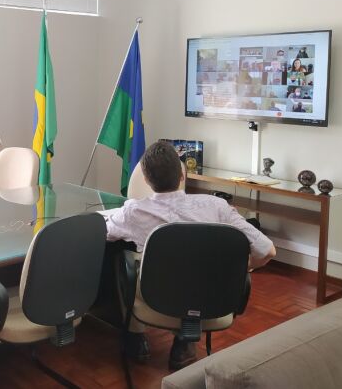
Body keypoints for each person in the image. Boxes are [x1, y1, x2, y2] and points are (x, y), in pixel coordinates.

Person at [104, 141, 276, 370]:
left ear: (146, 180)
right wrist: (241, 269)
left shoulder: (134, 211)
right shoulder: (217, 207)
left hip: (158, 296)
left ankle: (135, 338)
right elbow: (268, 250)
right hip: (214, 298)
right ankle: (185, 341)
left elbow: (105, 233)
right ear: (182, 176)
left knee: (122, 260)